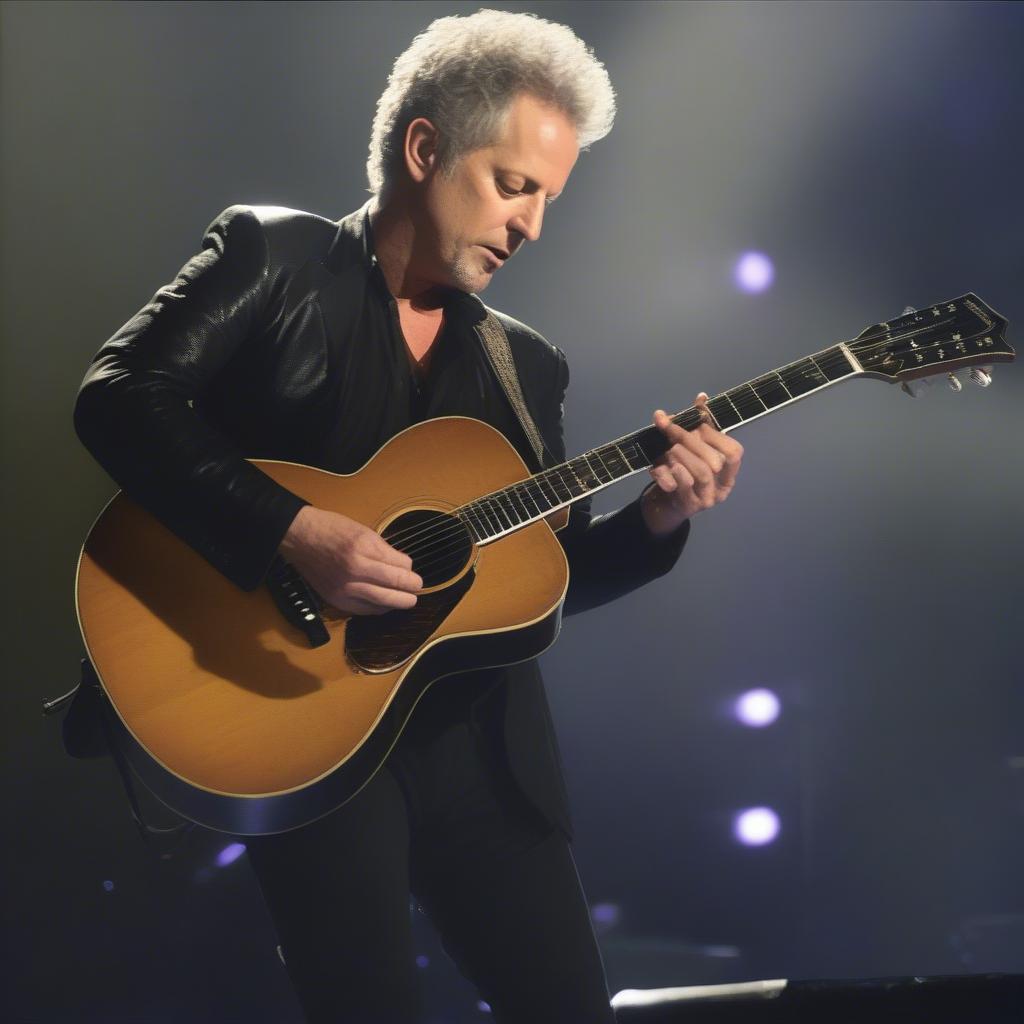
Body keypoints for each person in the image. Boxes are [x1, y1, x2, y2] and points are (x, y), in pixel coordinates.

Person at [73, 9, 743, 1023]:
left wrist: (656, 521)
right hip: (304, 724)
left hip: (484, 755)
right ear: (424, 147)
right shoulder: (275, 255)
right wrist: (295, 531)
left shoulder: (527, 365)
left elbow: (537, 582)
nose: (529, 226)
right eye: (514, 186)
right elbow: (118, 394)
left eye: (548, 199)